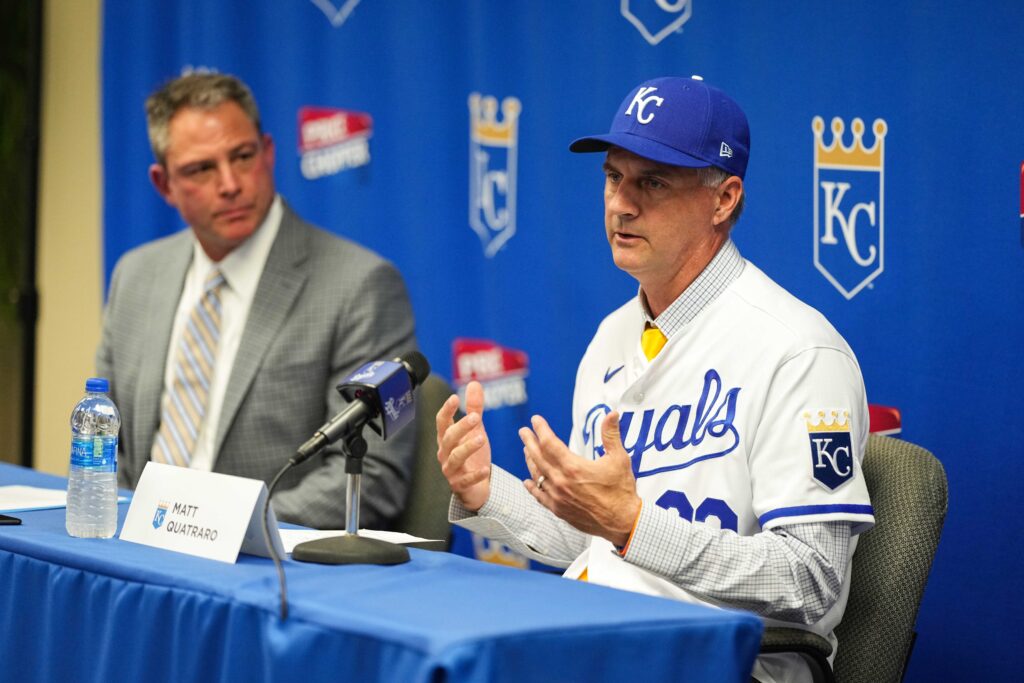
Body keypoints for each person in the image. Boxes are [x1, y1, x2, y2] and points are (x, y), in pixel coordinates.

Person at [435, 76, 874, 683]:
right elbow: (591, 546)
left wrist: (632, 525)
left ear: (723, 200)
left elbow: (809, 579)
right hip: (606, 638)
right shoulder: (612, 338)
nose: (622, 203)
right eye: (614, 177)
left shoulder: (798, 350)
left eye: (654, 181)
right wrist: (486, 491)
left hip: (740, 661)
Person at [96, 72, 418, 530]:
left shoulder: (361, 285)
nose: (229, 183)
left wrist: (211, 528)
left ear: (268, 153)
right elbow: (106, 441)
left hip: (263, 569)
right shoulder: (136, 276)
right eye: (201, 169)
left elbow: (373, 478)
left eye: (242, 156)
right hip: (136, 550)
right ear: (163, 184)